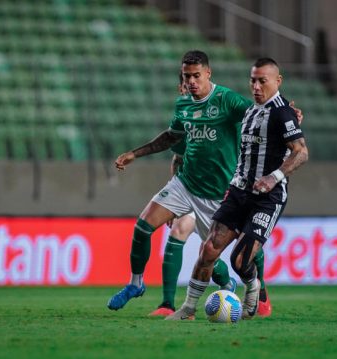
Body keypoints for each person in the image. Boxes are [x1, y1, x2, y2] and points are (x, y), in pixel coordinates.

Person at [107, 50, 259, 314]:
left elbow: (258, 114)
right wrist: (135, 153)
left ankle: (247, 287)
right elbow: (170, 137)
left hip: (218, 194)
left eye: (196, 76)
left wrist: (285, 114)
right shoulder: (183, 104)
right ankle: (136, 283)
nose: (191, 81)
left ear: (208, 73)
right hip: (185, 184)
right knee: (143, 225)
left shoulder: (227, 100)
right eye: (187, 76)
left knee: (213, 253)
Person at [166, 57, 308, 321]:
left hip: (268, 197)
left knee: (240, 261)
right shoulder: (251, 110)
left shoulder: (282, 113)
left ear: (278, 81)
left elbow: (301, 152)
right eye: (252, 80)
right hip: (238, 190)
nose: (255, 86)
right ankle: (187, 309)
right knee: (209, 249)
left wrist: (273, 177)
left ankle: (253, 287)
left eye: (262, 81)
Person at [149, 72, 273, 317]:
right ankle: (167, 304)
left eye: (194, 82)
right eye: (185, 85)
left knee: (242, 242)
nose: (190, 88)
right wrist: (175, 201)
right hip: (194, 190)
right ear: (180, 88)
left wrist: (284, 114)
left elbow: (257, 118)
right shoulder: (185, 118)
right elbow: (178, 159)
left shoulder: (223, 110)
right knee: (180, 232)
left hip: (230, 188)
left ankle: (259, 290)